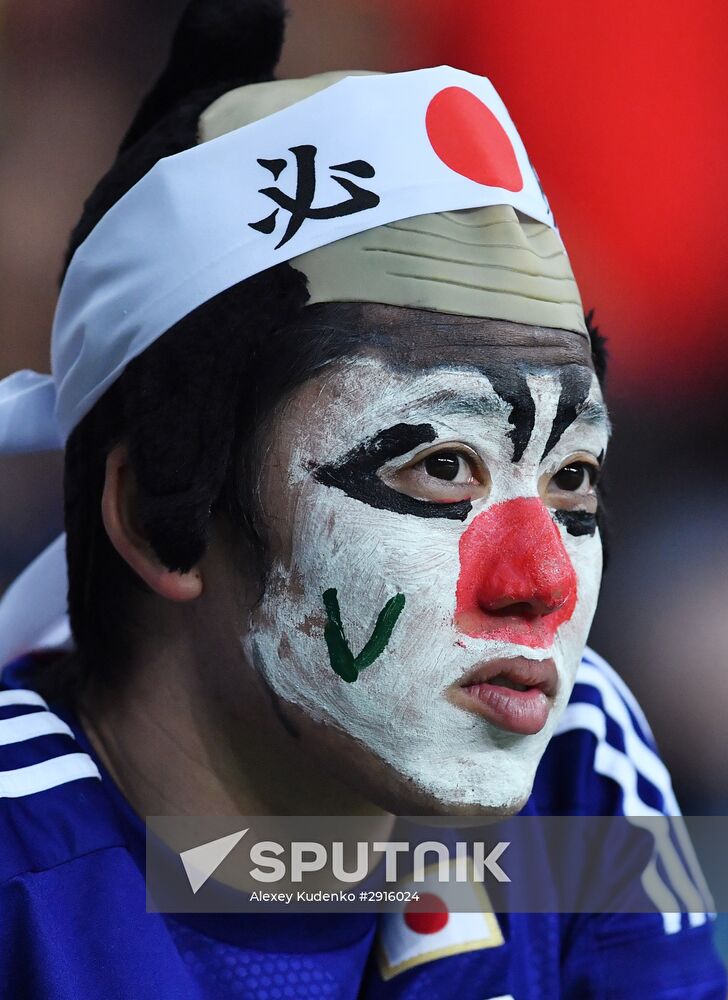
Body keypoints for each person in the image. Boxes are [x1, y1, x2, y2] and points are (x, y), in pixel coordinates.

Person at [0, 1, 724, 996]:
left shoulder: (578, 767)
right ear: (165, 515)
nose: (541, 583)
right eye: (439, 466)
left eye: (570, 479)